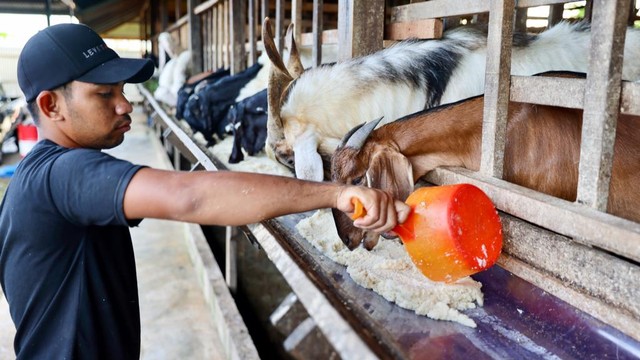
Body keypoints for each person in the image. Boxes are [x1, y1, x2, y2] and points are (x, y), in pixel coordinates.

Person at [0, 23, 409, 359]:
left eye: (122, 90)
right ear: (51, 106)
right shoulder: (62, 174)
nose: (125, 105)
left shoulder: (33, 181)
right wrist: (335, 194)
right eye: (104, 94)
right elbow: (191, 197)